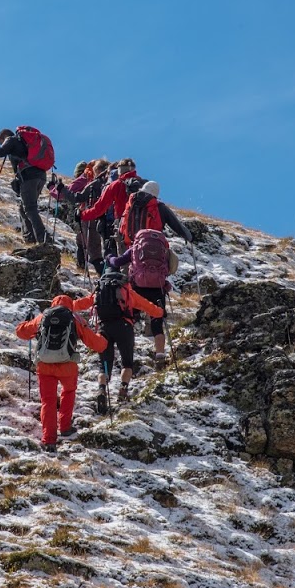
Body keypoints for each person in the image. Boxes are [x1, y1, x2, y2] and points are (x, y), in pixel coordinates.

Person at [108, 180, 192, 370]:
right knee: (157, 319)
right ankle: (160, 355)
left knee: (130, 316)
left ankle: (125, 353)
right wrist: (188, 236)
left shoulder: (132, 204)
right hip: (157, 284)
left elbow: (118, 261)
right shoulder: (159, 208)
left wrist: (110, 259)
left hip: (136, 279)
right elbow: (176, 226)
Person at [15, 295, 108, 452]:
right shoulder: (75, 319)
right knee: (68, 392)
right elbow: (98, 345)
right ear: (70, 305)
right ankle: (65, 427)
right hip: (67, 366)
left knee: (48, 401)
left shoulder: (42, 317)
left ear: (53, 304)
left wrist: (25, 322)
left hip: (44, 366)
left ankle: (49, 440)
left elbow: (21, 332)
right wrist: (104, 338)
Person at [73, 273, 163, 410]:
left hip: (104, 328)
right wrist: (160, 312)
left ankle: (102, 389)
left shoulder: (99, 292)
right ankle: (123, 389)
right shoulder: (127, 291)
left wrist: (62, 305)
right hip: (124, 327)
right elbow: (147, 306)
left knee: (104, 365)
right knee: (127, 362)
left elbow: (80, 304)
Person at [0, 129, 52, 245]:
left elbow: (1, 151)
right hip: (40, 176)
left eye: (0, 141)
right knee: (23, 208)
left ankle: (44, 239)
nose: (1, 144)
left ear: (3, 137)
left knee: (30, 209)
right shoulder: (22, 143)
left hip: (29, 176)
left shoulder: (11, 140)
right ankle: (30, 239)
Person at [52, 158, 111, 275]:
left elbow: (76, 197)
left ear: (97, 170)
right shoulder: (112, 183)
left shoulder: (94, 183)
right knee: (90, 243)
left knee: (94, 253)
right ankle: (85, 267)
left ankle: (104, 279)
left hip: (90, 217)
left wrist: (61, 189)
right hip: (109, 220)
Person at [80, 157, 141, 256]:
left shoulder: (115, 185)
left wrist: (82, 215)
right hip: (141, 227)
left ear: (119, 170)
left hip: (122, 225)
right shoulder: (143, 184)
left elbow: (98, 209)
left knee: (115, 257)